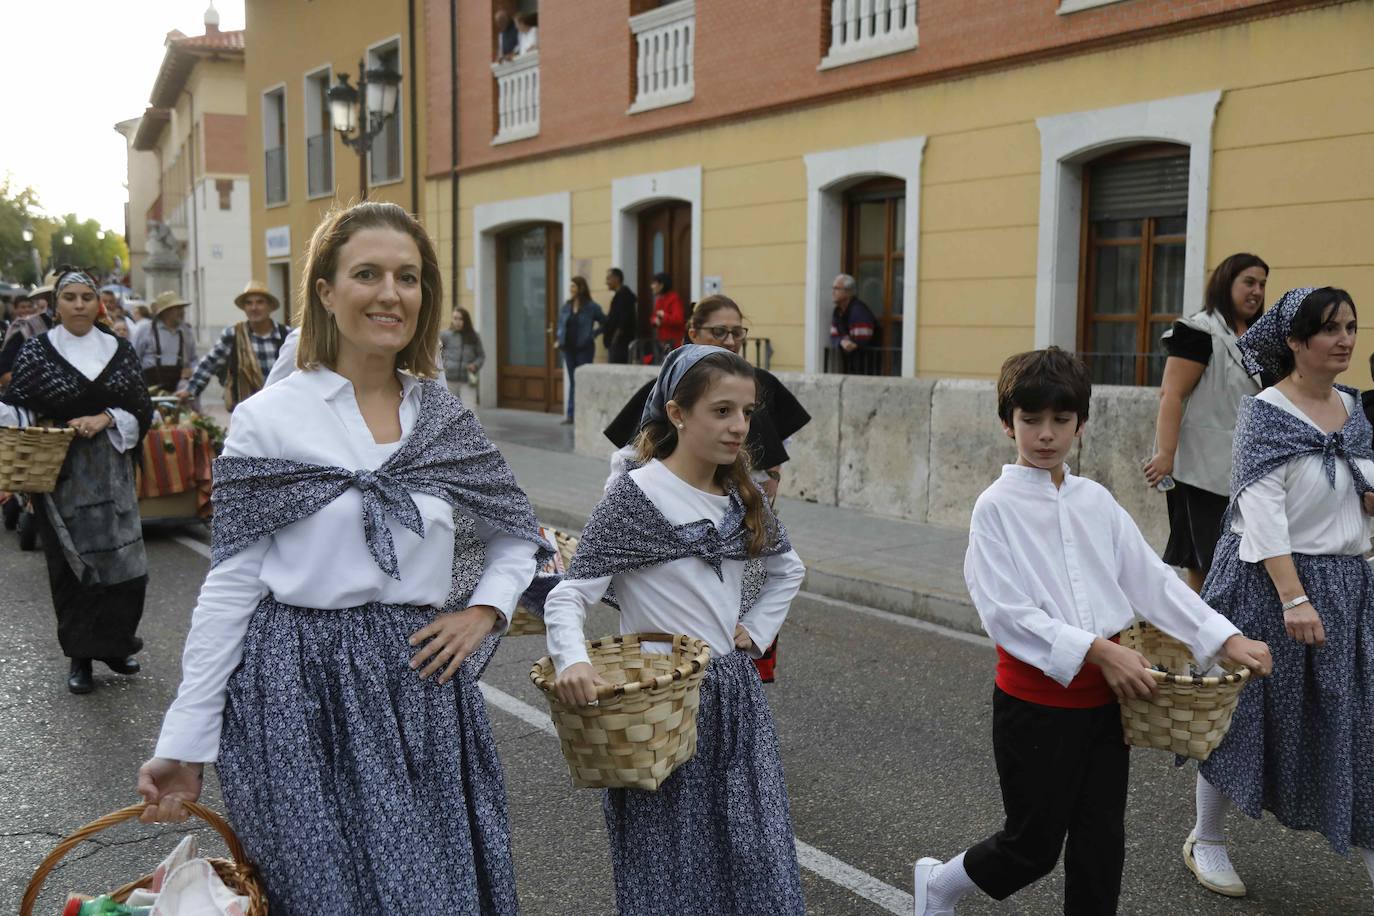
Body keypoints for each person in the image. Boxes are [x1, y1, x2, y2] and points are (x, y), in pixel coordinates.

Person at [136, 201, 547, 913]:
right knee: (326, 898)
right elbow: (230, 587)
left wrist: (484, 609)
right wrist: (187, 741)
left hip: (420, 687)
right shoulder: (271, 419)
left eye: (409, 277)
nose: (392, 294)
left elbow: (516, 533)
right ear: (325, 290)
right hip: (296, 696)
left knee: (434, 893)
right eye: (368, 273)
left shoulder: (444, 418)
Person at [911, 347, 1271, 916]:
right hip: (1035, 704)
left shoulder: (1095, 500)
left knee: (1101, 843)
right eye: (1031, 420)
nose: (1045, 434)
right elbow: (1003, 612)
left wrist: (1224, 638)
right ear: (1008, 423)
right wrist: (1099, 650)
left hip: (1107, 704)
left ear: (1081, 423)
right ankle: (939, 884)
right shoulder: (995, 507)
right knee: (1032, 846)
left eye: (1060, 420)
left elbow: (1152, 580)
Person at [543, 344, 808, 914]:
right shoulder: (635, 497)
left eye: (746, 412)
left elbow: (789, 568)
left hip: (734, 699)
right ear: (678, 413)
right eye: (722, 411)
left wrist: (756, 630)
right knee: (669, 857)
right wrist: (573, 660)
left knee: (752, 847)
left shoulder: (743, 496)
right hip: (661, 708)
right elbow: (570, 596)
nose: (740, 427)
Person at [1187, 287, 1374, 899]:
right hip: (1270, 585)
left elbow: (1358, 489)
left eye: (1350, 326)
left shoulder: (1355, 408)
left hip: (1347, 587)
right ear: (1295, 342)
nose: (1346, 338)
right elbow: (1262, 513)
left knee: (1354, 719)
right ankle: (1207, 839)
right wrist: (1294, 599)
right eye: (1330, 329)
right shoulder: (1264, 412)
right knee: (1241, 715)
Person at [0, 269, 154, 694]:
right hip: (61, 472)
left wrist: (105, 417)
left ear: (98, 302)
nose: (80, 304)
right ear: (56, 304)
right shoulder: (37, 352)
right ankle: (81, 657)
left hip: (110, 471)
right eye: (70, 297)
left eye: (87, 296)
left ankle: (118, 644)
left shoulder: (119, 350)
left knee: (123, 562)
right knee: (71, 566)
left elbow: (141, 410)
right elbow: (19, 409)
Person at [604, 294, 810, 504]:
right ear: (693, 333)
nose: (730, 341)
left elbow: (778, 436)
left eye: (737, 333)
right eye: (719, 332)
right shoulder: (671, 387)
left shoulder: (759, 382)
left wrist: (771, 478)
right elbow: (631, 457)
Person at [1145, 253, 1269, 592]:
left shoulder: (1262, 339)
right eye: (1248, 282)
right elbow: (1171, 394)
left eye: (1262, 284)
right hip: (1202, 469)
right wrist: (1166, 454)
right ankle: (1204, 633)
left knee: (1249, 556)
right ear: (1226, 283)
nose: (1256, 291)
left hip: (1251, 466)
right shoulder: (1198, 332)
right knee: (1205, 558)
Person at [181, 281, 290, 412]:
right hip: (246, 412)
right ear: (244, 308)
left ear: (270, 307)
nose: (254, 307)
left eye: (260, 302)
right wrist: (190, 390)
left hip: (280, 408)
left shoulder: (287, 336)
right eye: (249, 303)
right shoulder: (233, 335)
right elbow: (209, 363)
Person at [557, 276, 605, 424]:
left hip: (584, 349)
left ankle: (584, 415)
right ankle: (572, 415)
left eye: (573, 286)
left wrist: (593, 334)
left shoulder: (592, 307)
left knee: (583, 381)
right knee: (573, 381)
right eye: (570, 286)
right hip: (568, 349)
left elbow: (605, 322)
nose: (570, 289)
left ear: (580, 288)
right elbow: (561, 325)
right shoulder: (567, 306)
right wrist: (559, 338)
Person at [134, 290, 197, 392]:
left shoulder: (186, 332)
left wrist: (192, 370)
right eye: (177, 308)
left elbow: (193, 359)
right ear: (166, 311)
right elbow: (134, 359)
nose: (182, 312)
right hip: (150, 388)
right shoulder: (146, 330)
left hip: (178, 390)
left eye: (182, 308)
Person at [0, 286, 56, 383]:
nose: (78, 305)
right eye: (69, 297)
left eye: (86, 298)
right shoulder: (25, 327)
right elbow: (4, 371)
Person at [828, 273, 879, 374]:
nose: (833, 292)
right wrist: (842, 341)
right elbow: (834, 335)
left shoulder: (859, 311)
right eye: (833, 288)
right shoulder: (837, 311)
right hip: (850, 365)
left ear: (848, 292)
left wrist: (848, 341)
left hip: (866, 366)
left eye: (837, 288)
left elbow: (862, 340)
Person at [440, 306, 485, 404]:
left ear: (466, 320)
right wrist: (444, 365)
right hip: (449, 379)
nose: (457, 322)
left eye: (460, 319)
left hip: (467, 380)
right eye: (455, 318)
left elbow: (481, 356)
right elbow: (437, 353)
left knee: (470, 411)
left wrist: (475, 365)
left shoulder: (474, 336)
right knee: (450, 411)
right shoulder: (445, 335)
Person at [603, 267, 638, 364]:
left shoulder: (624, 296)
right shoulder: (619, 295)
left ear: (617, 278)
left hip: (620, 344)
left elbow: (623, 321)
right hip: (616, 343)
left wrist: (614, 340)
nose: (606, 282)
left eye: (608, 278)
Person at [649, 272, 684, 363]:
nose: (652, 286)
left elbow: (678, 319)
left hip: (674, 342)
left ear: (661, 285)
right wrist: (655, 321)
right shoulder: (660, 299)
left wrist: (664, 316)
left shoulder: (674, 298)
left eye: (654, 283)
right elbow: (653, 317)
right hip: (662, 341)